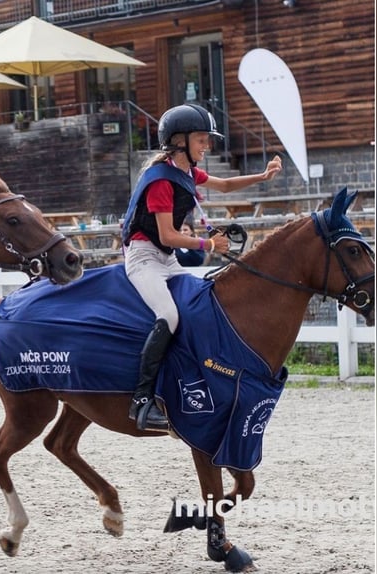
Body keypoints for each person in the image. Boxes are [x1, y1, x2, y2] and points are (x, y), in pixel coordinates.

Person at [121, 103, 282, 431]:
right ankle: (141, 401)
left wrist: (262, 177)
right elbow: (167, 233)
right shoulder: (161, 182)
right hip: (143, 257)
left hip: (166, 257)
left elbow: (223, 186)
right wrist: (209, 245)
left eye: (207, 139)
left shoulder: (187, 172)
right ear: (179, 142)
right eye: (201, 139)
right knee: (169, 315)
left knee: (199, 307)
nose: (207, 145)